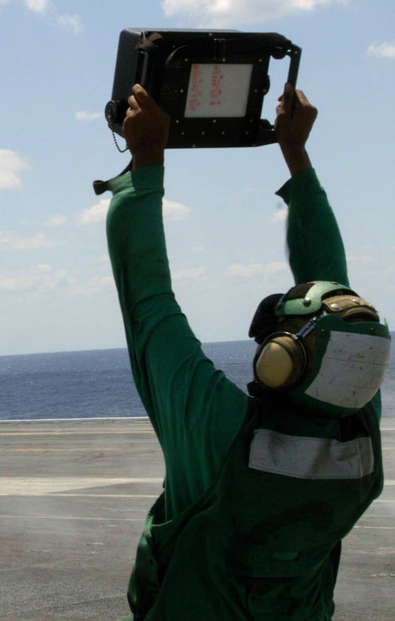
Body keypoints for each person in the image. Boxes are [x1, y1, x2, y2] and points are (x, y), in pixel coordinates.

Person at [99, 83, 391, 619]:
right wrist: (296, 156)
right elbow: (335, 294)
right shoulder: (361, 450)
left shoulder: (221, 437)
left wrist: (144, 164)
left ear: (283, 356)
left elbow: (148, 303)